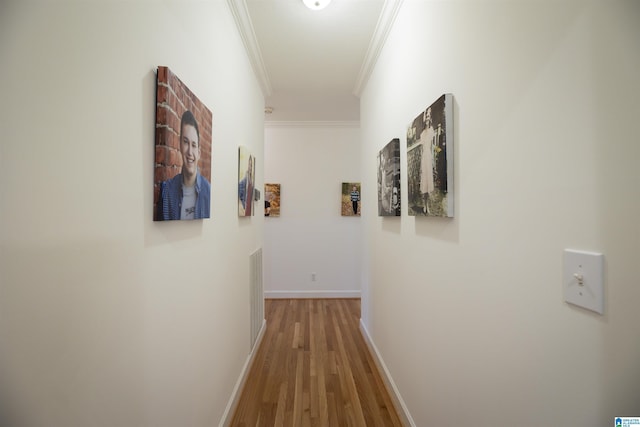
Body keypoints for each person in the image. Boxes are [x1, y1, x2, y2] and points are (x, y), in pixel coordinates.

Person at [156, 110, 211, 220]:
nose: (190, 152)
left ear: (199, 153)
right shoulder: (167, 191)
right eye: (186, 142)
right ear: (180, 145)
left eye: (194, 145)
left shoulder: (208, 192)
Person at [419, 107, 435, 215]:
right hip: (424, 157)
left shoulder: (431, 130)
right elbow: (421, 150)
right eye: (426, 117)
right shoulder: (422, 134)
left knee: (429, 182)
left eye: (429, 116)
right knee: (424, 182)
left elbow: (432, 146)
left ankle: (428, 205)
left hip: (429, 156)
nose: (427, 119)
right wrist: (420, 165)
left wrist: (433, 159)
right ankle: (424, 205)